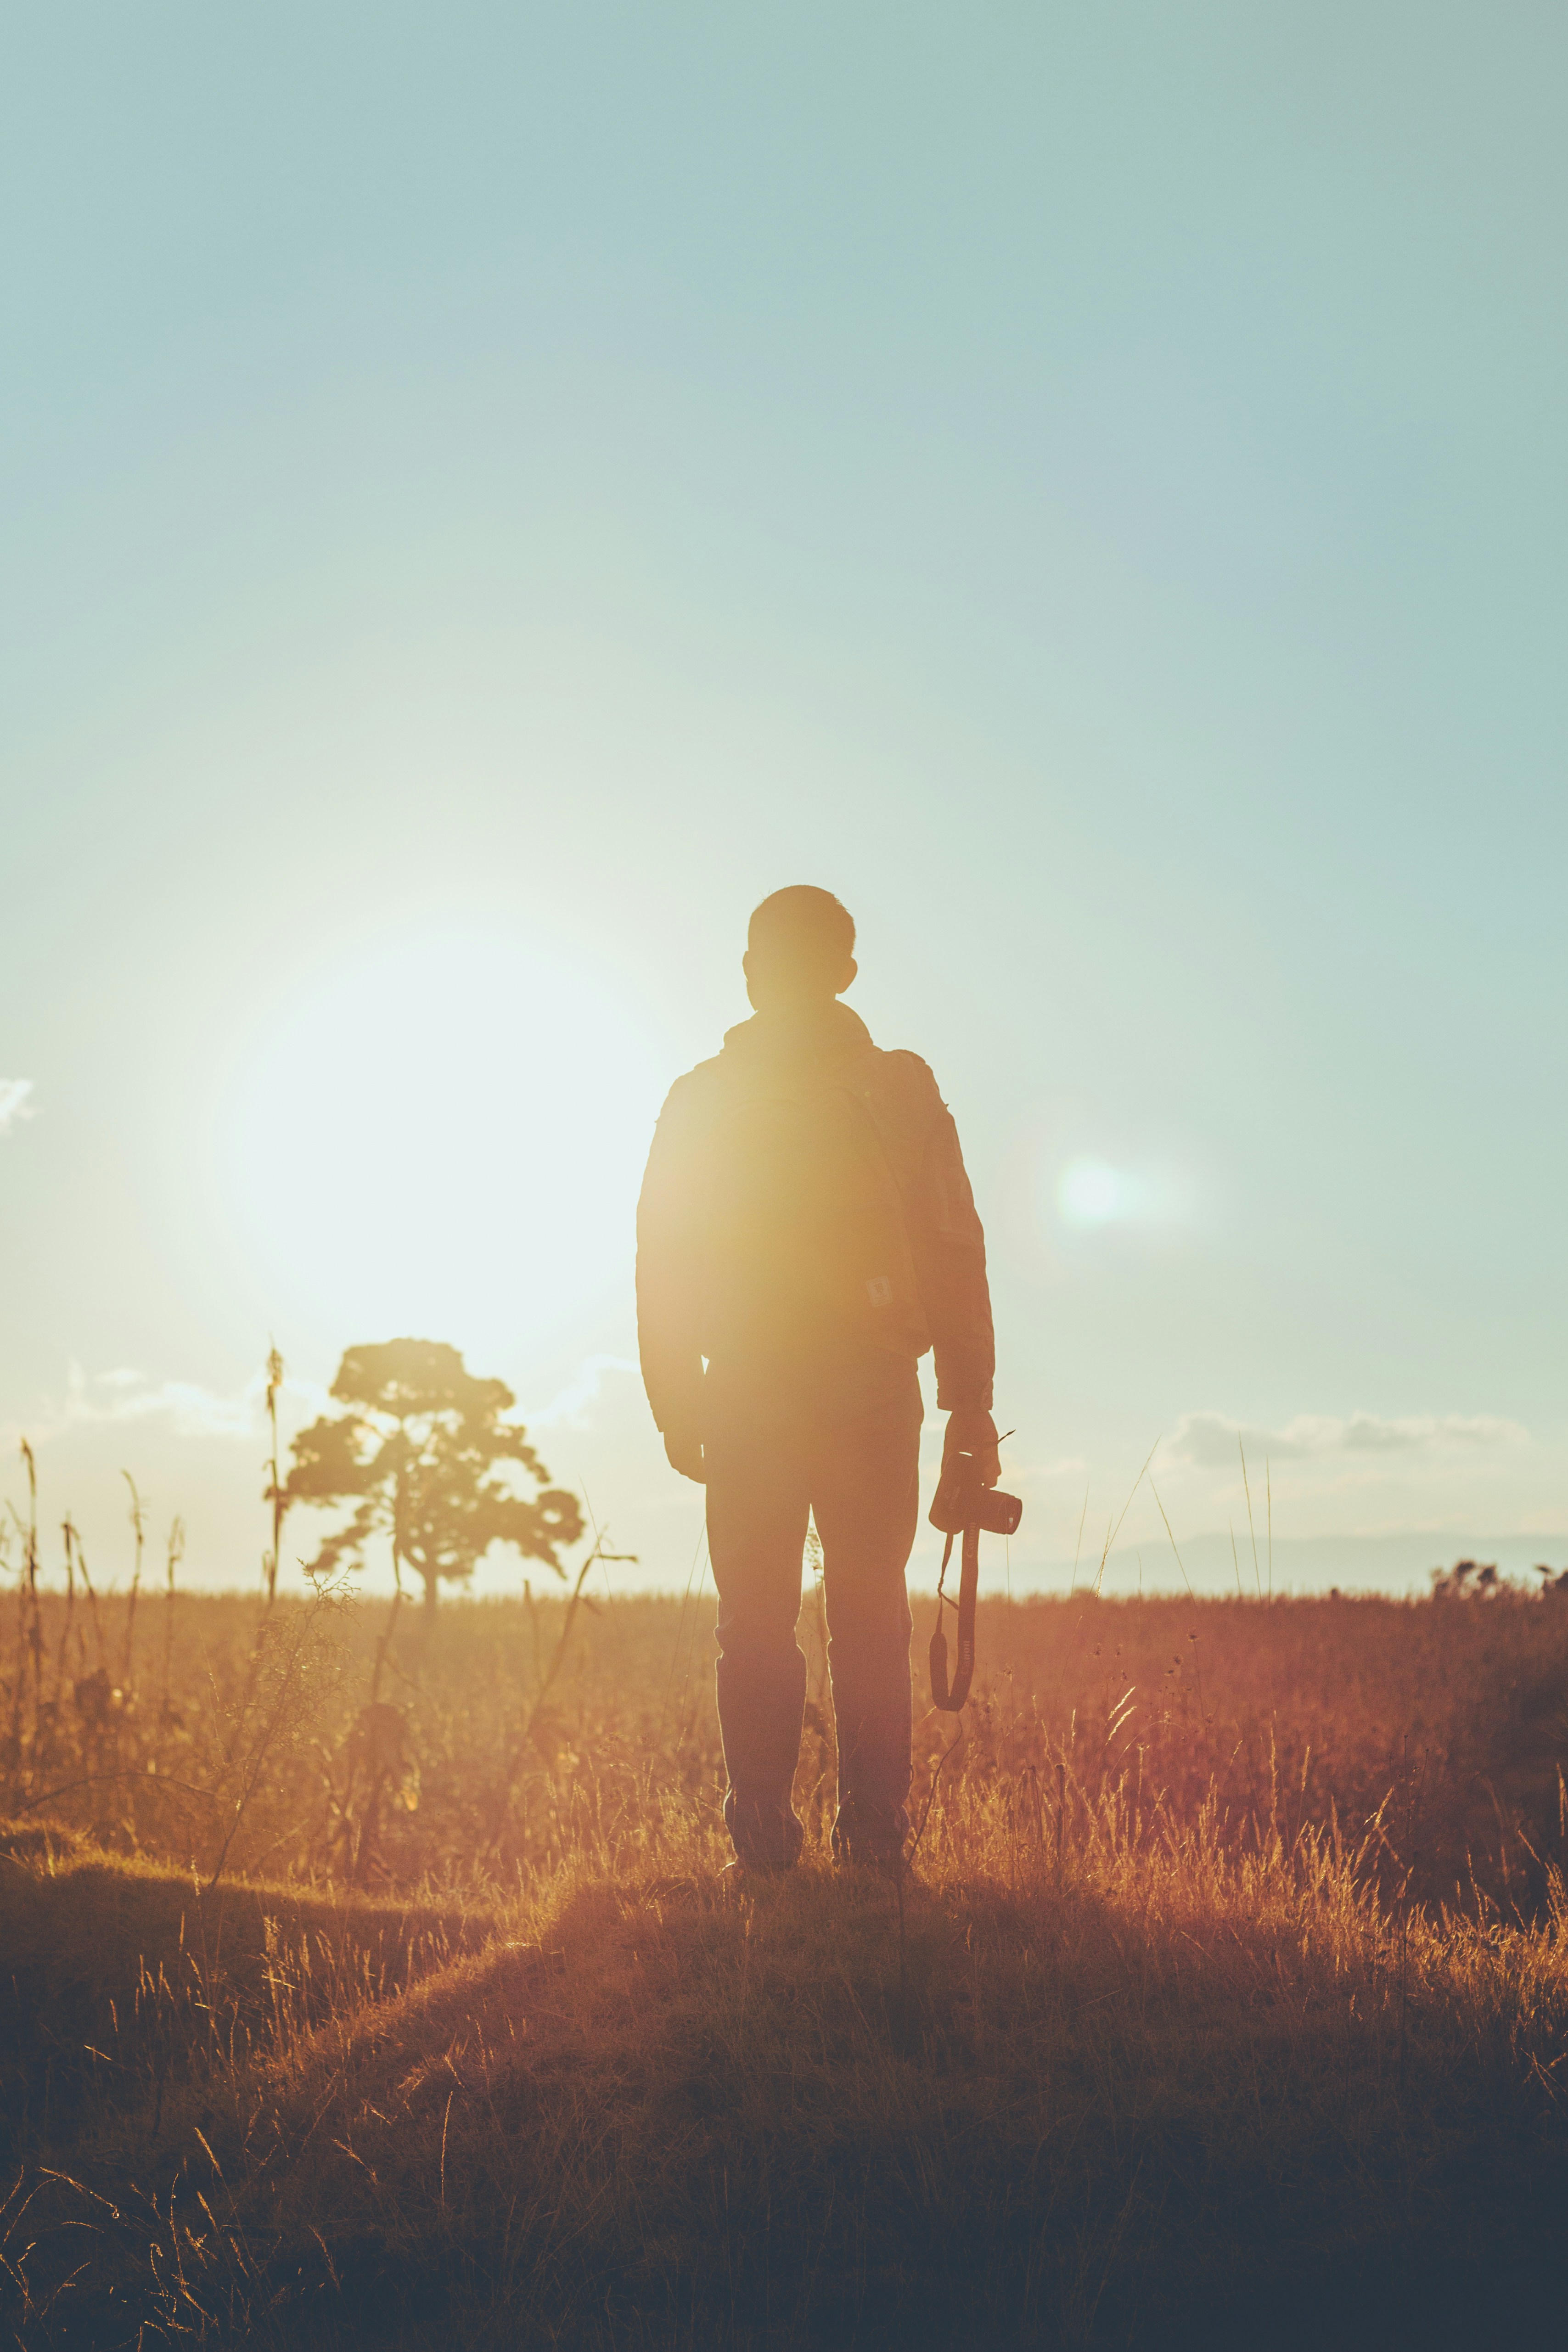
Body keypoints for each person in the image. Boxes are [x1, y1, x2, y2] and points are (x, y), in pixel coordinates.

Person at [635, 886, 999, 1876]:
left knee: (750, 1618)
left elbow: (660, 1255)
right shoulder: (900, 1087)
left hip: (743, 1383)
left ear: (751, 972)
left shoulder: (700, 1096)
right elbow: (953, 1248)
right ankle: (874, 1843)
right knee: (871, 1612)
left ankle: (758, 1838)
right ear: (846, 973)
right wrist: (972, 1403)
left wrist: (675, 1396)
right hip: (872, 1385)